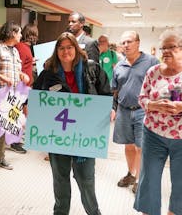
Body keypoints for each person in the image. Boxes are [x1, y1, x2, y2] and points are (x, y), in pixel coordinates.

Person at [34, 32, 110, 215]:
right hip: (58, 136)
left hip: (85, 135)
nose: (65, 51)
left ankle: (94, 212)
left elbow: (106, 94)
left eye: (69, 47)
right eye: (61, 48)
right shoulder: (48, 74)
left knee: (86, 180)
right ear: (56, 51)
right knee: (60, 180)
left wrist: (111, 109)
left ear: (76, 49)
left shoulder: (92, 68)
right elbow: (35, 97)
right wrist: (29, 107)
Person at [134, 28, 182, 215]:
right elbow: (142, 98)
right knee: (149, 180)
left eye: (171, 47)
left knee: (180, 182)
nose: (166, 51)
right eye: (163, 48)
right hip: (153, 134)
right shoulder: (153, 72)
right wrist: (154, 105)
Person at [111, 31, 159, 194]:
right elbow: (115, 90)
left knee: (141, 147)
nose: (126, 45)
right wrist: (113, 108)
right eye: (123, 42)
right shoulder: (119, 66)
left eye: (129, 41)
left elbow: (161, 84)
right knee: (129, 146)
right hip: (124, 111)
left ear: (138, 42)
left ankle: (140, 179)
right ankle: (131, 174)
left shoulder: (151, 61)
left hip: (143, 111)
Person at [0, 21, 30, 176]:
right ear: (12, 33)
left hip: (13, 97)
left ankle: (0, 158)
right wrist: (2, 77)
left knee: (7, 127)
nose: (21, 35)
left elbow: (17, 71)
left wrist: (22, 75)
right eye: (19, 32)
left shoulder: (15, 51)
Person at [10, 23, 39, 154]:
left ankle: (16, 138)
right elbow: (17, 67)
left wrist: (32, 61)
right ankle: (13, 141)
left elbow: (24, 63)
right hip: (20, 87)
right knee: (17, 114)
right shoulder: (21, 47)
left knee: (21, 113)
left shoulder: (25, 48)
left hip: (25, 87)